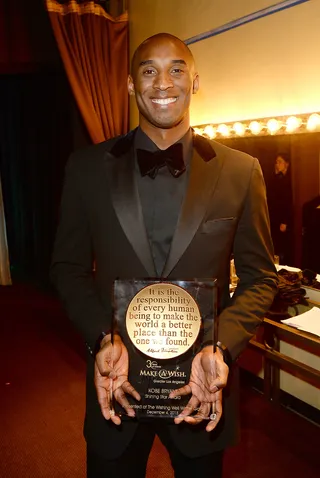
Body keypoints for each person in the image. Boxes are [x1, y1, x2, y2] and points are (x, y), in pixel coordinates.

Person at [51, 33, 278, 478]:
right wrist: (101, 338)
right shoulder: (85, 168)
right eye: (148, 70)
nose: (163, 82)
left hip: (200, 386)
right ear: (131, 85)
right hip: (117, 382)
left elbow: (261, 277)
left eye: (176, 69)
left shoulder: (240, 171)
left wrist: (223, 349)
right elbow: (68, 268)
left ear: (194, 82)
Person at [267, 153, 294, 265]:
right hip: (274, 216)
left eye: (280, 162)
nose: (277, 164)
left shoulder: (290, 180)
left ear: (286, 164)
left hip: (284, 219)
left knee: (283, 244)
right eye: (276, 162)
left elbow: (287, 202)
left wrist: (285, 221)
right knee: (274, 243)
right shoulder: (277, 178)